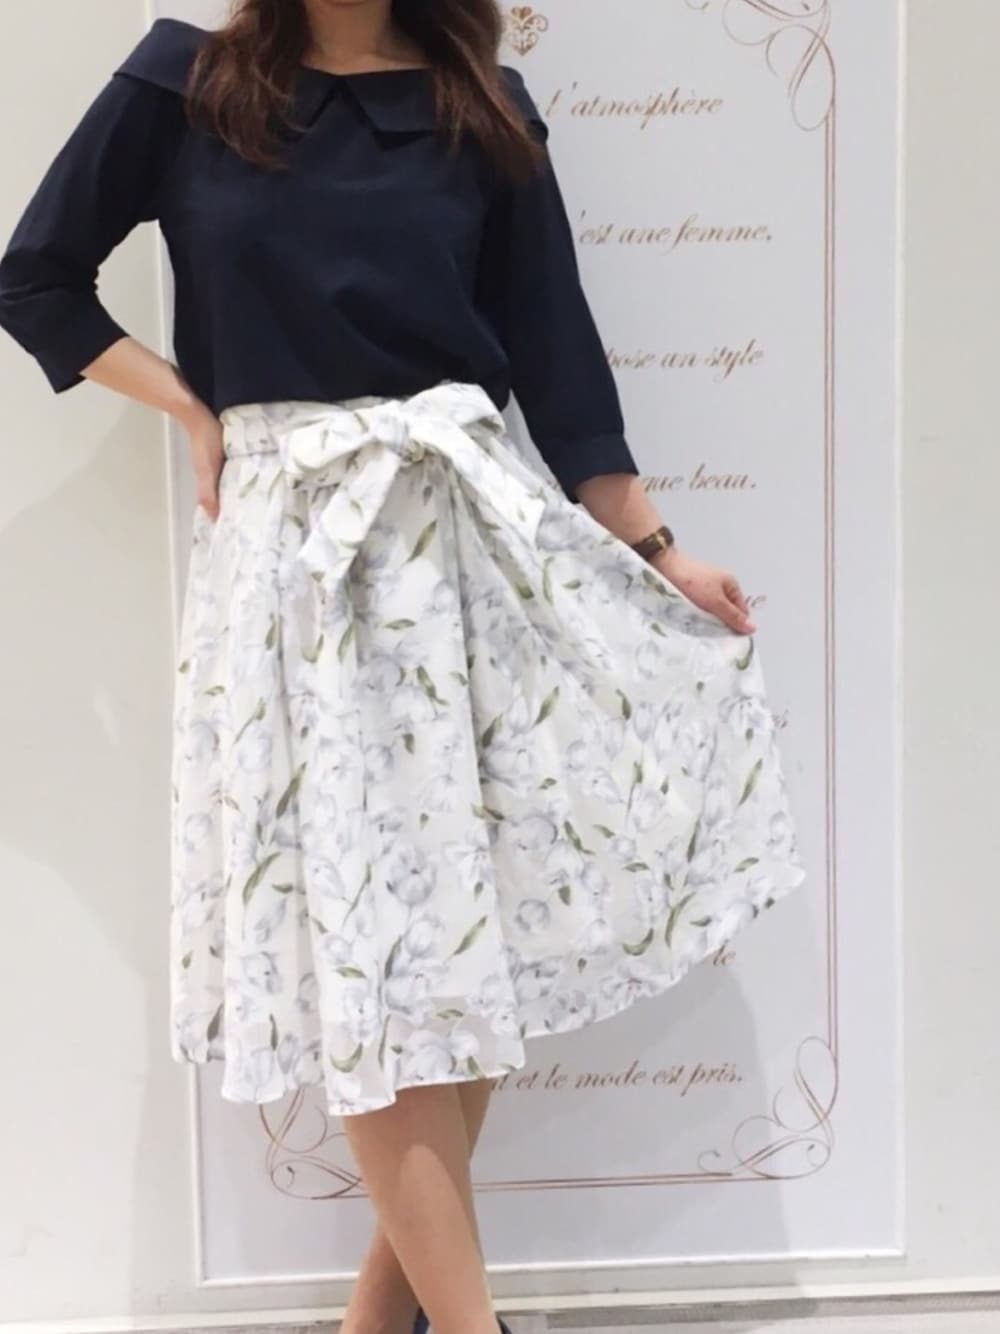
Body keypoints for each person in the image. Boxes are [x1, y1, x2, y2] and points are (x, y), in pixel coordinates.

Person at [0, 2, 807, 1332]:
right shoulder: (185, 85)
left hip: (469, 549)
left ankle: (381, 1320)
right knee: (370, 961)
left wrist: (661, 552)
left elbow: (558, 356)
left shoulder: (480, 104)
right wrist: (196, 408)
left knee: (465, 942)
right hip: (296, 575)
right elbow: (35, 277)